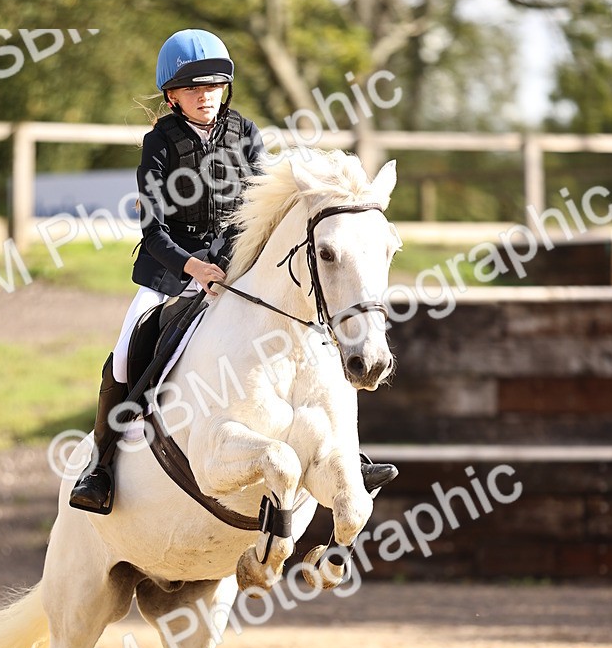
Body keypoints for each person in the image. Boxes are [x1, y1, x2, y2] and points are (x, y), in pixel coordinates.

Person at [69, 28, 396, 514]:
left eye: (215, 86)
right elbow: (153, 229)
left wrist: (225, 261)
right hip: (171, 270)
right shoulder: (158, 144)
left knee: (316, 331)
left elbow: (254, 209)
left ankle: (348, 453)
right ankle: (101, 464)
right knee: (125, 351)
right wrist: (193, 265)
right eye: (194, 88)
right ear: (172, 95)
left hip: (237, 263)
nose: (206, 97)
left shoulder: (244, 133)